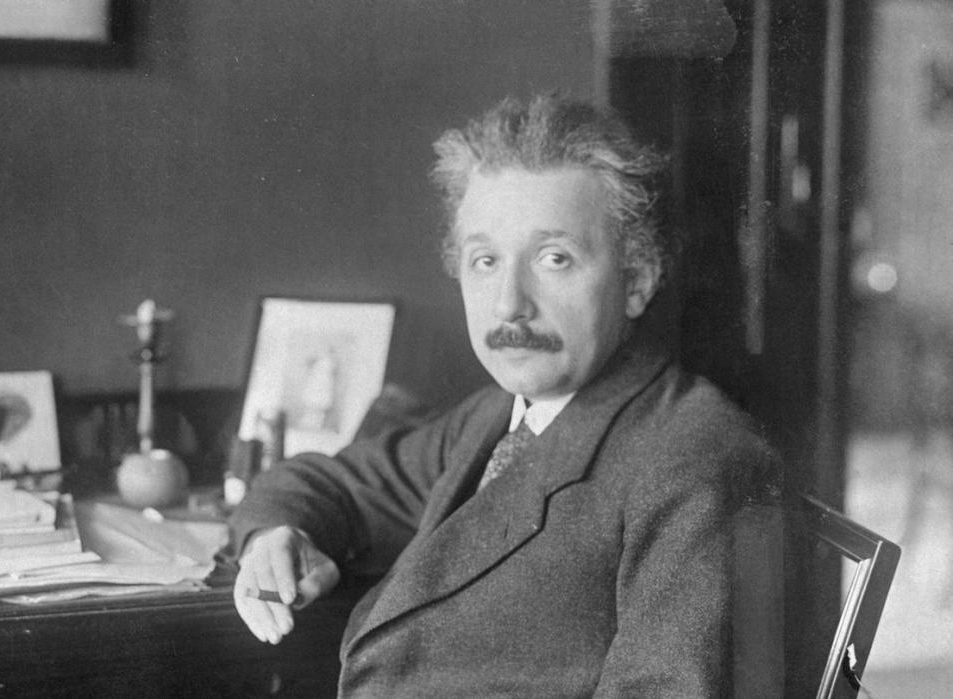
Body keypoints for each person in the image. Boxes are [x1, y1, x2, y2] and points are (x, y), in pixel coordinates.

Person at [225, 94, 779, 696]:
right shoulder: (503, 416)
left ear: (637, 281)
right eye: (485, 260)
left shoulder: (696, 461)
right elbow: (328, 484)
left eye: (554, 258)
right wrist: (275, 536)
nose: (509, 302)